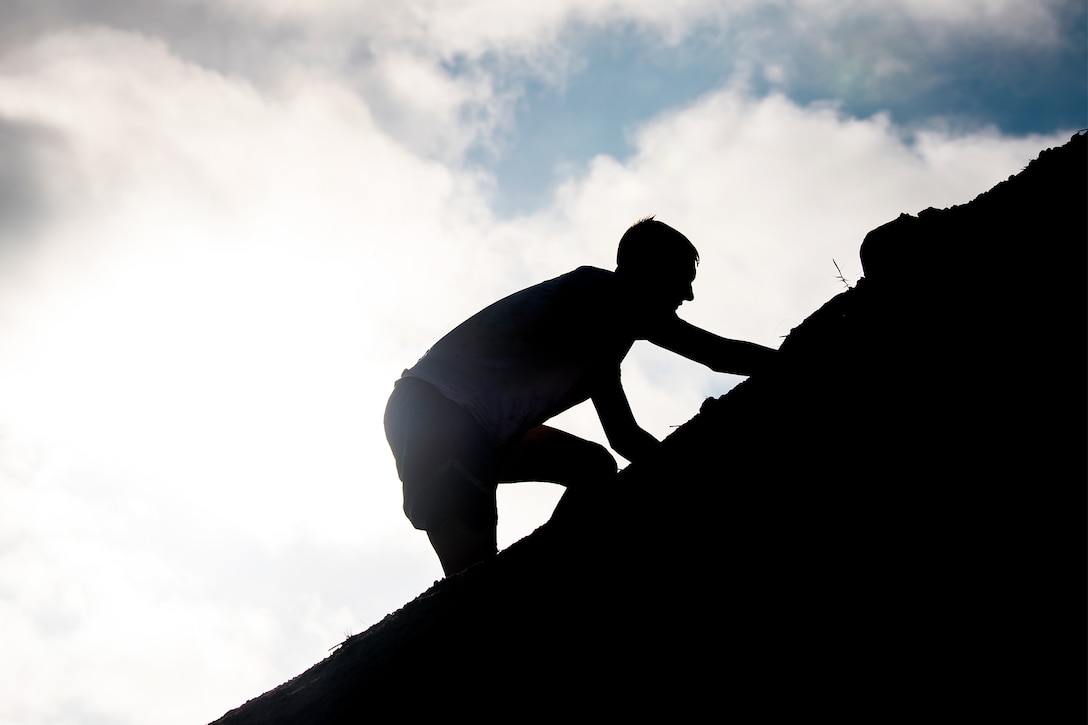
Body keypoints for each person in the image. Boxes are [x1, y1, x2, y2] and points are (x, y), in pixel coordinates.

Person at [384, 217, 777, 575]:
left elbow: (624, 437)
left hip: (453, 418)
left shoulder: (597, 329)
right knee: (473, 583)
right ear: (649, 270)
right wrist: (803, 355)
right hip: (439, 416)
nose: (688, 295)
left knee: (591, 466)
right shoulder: (603, 296)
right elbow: (715, 353)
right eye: (681, 278)